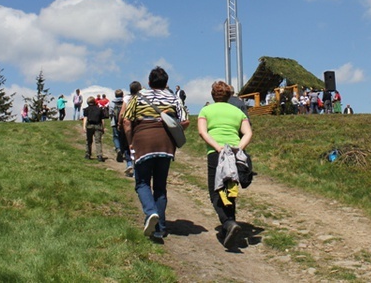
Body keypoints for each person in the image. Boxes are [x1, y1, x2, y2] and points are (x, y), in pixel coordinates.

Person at [122, 67, 189, 239]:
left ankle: (151, 212)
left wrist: (130, 142)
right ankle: (160, 228)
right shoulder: (174, 98)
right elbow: (185, 121)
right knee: (160, 186)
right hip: (166, 143)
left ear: (149, 82)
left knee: (142, 182)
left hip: (143, 140)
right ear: (166, 83)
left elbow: (127, 121)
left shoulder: (139, 97)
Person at [198, 81, 253, 249]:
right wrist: (239, 148)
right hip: (235, 154)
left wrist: (217, 147)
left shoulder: (206, 110)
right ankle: (228, 227)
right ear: (229, 95)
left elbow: (202, 131)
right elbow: (248, 132)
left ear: (213, 95)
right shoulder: (237, 111)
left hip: (217, 154)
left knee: (216, 191)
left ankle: (228, 223)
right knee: (230, 190)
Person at [83, 96, 106, 161]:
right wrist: (103, 128)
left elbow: (85, 118)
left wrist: (84, 127)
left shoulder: (86, 109)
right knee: (98, 141)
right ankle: (99, 155)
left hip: (89, 125)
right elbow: (102, 120)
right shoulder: (99, 109)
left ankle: (88, 154)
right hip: (98, 126)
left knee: (88, 141)